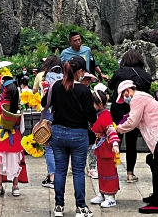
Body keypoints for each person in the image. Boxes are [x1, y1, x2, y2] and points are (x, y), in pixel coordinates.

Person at [116, 79, 158, 215]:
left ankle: (157, 203)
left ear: (128, 91)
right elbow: (133, 118)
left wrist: (118, 129)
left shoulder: (137, 99)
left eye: (124, 96)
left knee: (156, 165)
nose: (124, 99)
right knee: (154, 161)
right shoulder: (144, 97)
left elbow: (132, 121)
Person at [49, 56, 97, 217]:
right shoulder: (84, 90)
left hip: (57, 133)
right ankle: (81, 207)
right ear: (80, 71)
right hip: (78, 134)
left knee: (60, 170)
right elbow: (91, 115)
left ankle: (58, 206)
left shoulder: (56, 86)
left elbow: (47, 104)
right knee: (78, 171)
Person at [107, 49, 152, 184]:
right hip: (135, 113)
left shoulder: (120, 72)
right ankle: (130, 173)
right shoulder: (146, 75)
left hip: (117, 112)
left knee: (115, 141)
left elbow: (110, 85)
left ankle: (112, 170)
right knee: (132, 144)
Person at [89, 88, 119, 208]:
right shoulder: (99, 114)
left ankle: (111, 197)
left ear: (100, 104)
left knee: (109, 172)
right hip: (101, 148)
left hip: (107, 147)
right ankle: (102, 193)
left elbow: (110, 130)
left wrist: (115, 143)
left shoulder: (105, 115)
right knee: (102, 172)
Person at [38, 55, 63, 189]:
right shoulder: (65, 78)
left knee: (48, 145)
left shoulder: (46, 80)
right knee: (60, 146)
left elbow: (45, 100)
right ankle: (60, 175)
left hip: (49, 113)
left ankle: (52, 176)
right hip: (63, 114)